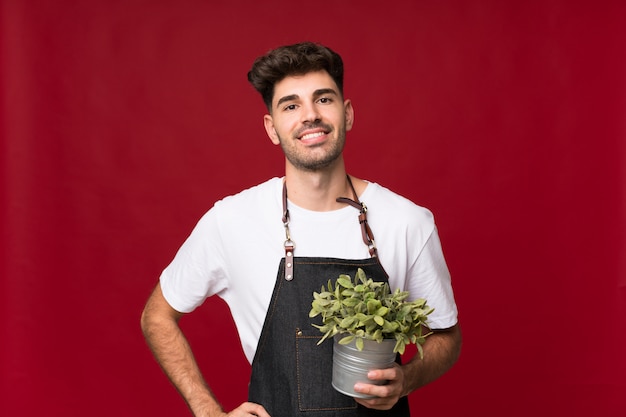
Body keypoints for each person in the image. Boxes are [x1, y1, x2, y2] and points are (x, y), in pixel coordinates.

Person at [141, 41, 461, 417]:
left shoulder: (407, 221)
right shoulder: (231, 221)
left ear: (348, 113)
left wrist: (405, 379)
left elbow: (446, 336)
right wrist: (207, 410)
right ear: (272, 128)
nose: (310, 115)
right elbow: (156, 315)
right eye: (290, 106)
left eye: (323, 99)